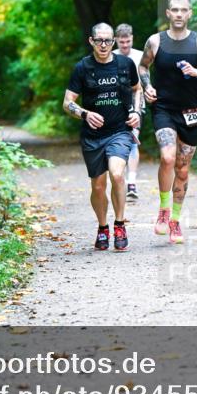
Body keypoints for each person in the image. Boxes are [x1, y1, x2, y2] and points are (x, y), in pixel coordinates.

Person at [139, 0, 197, 243]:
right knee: (167, 156)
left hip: (191, 113)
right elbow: (143, 66)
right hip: (163, 108)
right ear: (168, 13)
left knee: (182, 170)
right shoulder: (155, 41)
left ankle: (175, 221)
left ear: (190, 14)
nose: (179, 14)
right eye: (174, 10)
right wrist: (147, 86)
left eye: (183, 10)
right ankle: (163, 211)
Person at [63, 23, 142, 251]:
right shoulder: (83, 67)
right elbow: (67, 102)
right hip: (93, 136)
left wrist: (136, 112)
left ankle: (120, 224)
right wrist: (85, 114)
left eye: (108, 40)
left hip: (119, 131)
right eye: (99, 40)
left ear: (113, 41)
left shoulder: (125, 64)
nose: (104, 45)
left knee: (117, 174)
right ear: (92, 41)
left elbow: (137, 89)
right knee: (98, 186)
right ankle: (102, 227)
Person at [115, 23, 145, 201]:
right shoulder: (110, 56)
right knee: (119, 142)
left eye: (127, 42)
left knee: (133, 141)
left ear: (132, 39)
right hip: (115, 105)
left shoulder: (140, 56)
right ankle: (118, 179)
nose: (125, 45)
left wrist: (138, 108)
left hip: (137, 103)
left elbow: (145, 81)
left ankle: (131, 184)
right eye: (122, 42)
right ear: (116, 40)